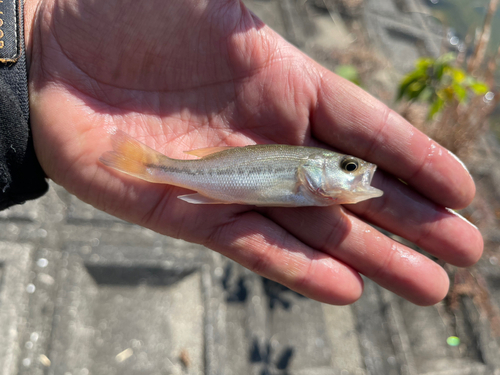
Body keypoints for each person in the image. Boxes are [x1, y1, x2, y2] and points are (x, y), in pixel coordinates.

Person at [17, 0, 484, 305]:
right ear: (317, 167)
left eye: (352, 168)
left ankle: (153, 166)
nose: (357, 175)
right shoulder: (304, 178)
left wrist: (32, 33)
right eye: (348, 166)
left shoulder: (311, 187)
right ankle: (151, 165)